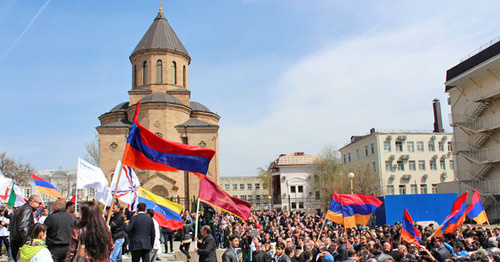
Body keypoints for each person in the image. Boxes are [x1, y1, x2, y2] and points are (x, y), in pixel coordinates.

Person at [10, 195, 43, 260]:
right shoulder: (27, 209)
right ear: (32, 202)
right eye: (39, 203)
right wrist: (28, 242)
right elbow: (24, 226)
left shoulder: (22, 208)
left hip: (16, 241)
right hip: (21, 242)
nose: (40, 206)